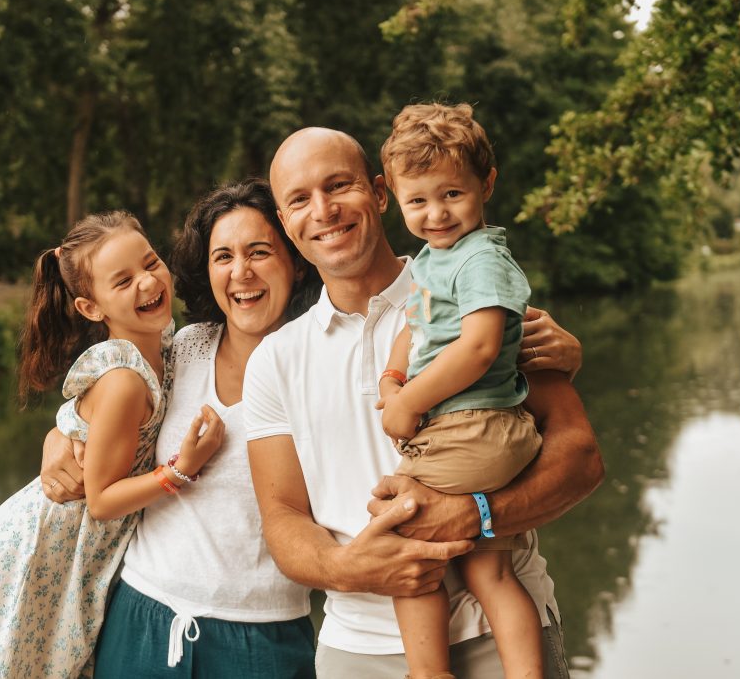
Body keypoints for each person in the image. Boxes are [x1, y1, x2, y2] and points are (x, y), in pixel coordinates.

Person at [245, 126, 603, 678]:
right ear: (285, 221)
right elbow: (283, 518)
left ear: (379, 193)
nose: (323, 210)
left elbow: (581, 460)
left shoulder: (470, 292)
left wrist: (476, 515)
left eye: (338, 185)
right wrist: (347, 567)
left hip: (495, 642)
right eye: (299, 199)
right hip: (353, 653)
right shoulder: (274, 359)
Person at [41, 179, 323, 678]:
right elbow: (114, 403)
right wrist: (59, 437)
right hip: (141, 622)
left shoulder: (324, 366)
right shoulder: (184, 348)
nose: (241, 272)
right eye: (223, 256)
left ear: (297, 262)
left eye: (260, 251)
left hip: (263, 636)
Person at [0, 211, 224, 679]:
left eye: (150, 262)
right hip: (43, 547)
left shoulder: (164, 342)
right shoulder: (124, 380)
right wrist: (181, 468)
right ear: (91, 308)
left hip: (75, 545)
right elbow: (101, 500)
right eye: (123, 281)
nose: (147, 282)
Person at [376, 102, 544, 678]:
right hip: (479, 428)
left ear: (486, 185)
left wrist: (408, 402)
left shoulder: (480, 259)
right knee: (489, 572)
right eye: (418, 201)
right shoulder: (436, 260)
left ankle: (429, 673)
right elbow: (416, 326)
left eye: (452, 194)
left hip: (474, 425)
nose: (436, 213)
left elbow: (479, 347)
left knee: (401, 531)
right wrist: (392, 377)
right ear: (396, 199)